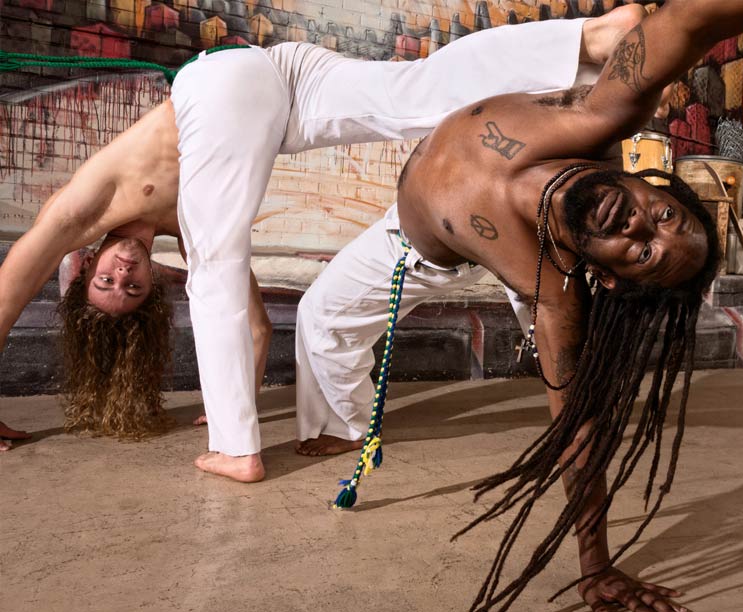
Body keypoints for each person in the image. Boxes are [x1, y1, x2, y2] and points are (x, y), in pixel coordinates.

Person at [294, 0, 743, 612]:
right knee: (321, 321)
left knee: (326, 312)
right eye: (662, 215)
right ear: (648, 184)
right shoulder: (599, 118)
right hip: (459, 134)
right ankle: (351, 430)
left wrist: (595, 566)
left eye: (646, 253)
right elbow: (689, 21)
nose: (639, 227)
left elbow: (579, 430)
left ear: (612, 278)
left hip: (414, 246)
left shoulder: (556, 292)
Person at [0, 9, 646, 452]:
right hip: (285, 85)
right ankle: (589, 42)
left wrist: (230, 415)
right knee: (412, 95)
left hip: (220, 82)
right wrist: (235, 392)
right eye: (133, 289)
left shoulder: (81, 209)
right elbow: (255, 328)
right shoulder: (187, 224)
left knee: (216, 267)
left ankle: (234, 450)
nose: (124, 273)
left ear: (84, 270)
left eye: (106, 281)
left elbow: (11, 284)